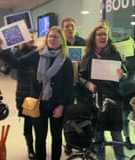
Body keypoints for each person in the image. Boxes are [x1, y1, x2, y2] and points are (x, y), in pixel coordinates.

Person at [0, 26, 74, 160]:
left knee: (56, 137)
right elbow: (17, 63)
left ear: (62, 41)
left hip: (57, 105)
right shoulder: (37, 54)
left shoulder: (65, 60)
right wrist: (3, 49)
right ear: (46, 38)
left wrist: (61, 106)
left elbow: (68, 86)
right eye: (50, 36)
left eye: (56, 37)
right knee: (40, 137)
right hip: (38, 103)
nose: (52, 39)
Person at [79, 25, 126, 160]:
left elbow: (125, 74)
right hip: (96, 99)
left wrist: (122, 75)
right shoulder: (88, 56)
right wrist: (87, 84)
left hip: (114, 98)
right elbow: (80, 77)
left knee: (116, 134)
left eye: (105, 34)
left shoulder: (115, 54)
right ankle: (101, 158)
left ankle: (121, 158)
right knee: (98, 134)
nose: (102, 37)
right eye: (99, 34)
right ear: (94, 38)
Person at [0, 32, 37, 159]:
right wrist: (3, 48)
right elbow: (9, 66)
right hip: (26, 92)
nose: (31, 39)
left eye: (32, 36)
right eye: (28, 37)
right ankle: (30, 147)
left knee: (40, 121)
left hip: (39, 91)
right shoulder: (18, 53)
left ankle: (38, 146)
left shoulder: (38, 52)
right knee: (29, 120)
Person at [61, 17, 86, 155]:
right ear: (63, 29)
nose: (70, 28)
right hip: (66, 84)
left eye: (72, 26)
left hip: (81, 84)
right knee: (67, 115)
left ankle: (83, 142)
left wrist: (84, 62)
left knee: (82, 114)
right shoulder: (60, 44)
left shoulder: (83, 43)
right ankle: (69, 143)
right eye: (67, 26)